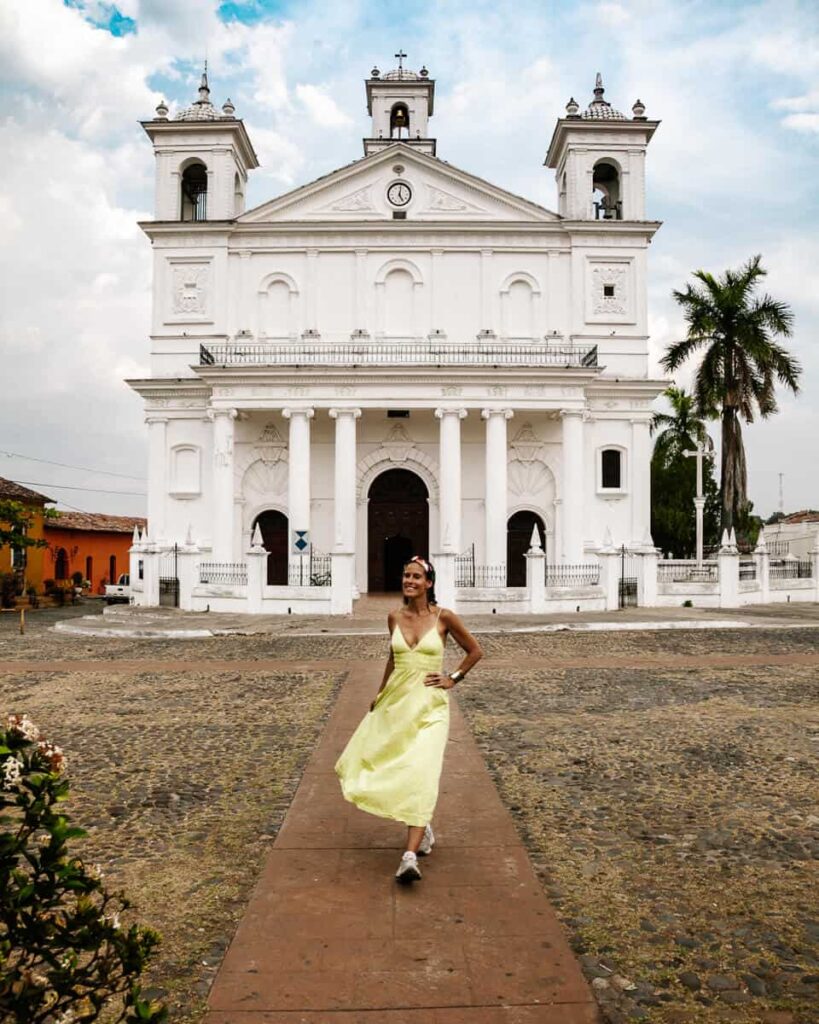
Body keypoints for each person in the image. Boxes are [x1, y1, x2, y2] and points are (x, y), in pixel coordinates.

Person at [335, 556, 483, 884]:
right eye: (406, 575)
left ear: (429, 583)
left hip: (431, 707)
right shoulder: (394, 618)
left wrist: (453, 678)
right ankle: (423, 827)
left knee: (423, 772)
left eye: (416, 576)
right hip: (398, 702)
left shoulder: (445, 617)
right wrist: (380, 693)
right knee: (388, 763)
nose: (410, 581)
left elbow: (475, 651)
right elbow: (392, 658)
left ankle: (409, 856)